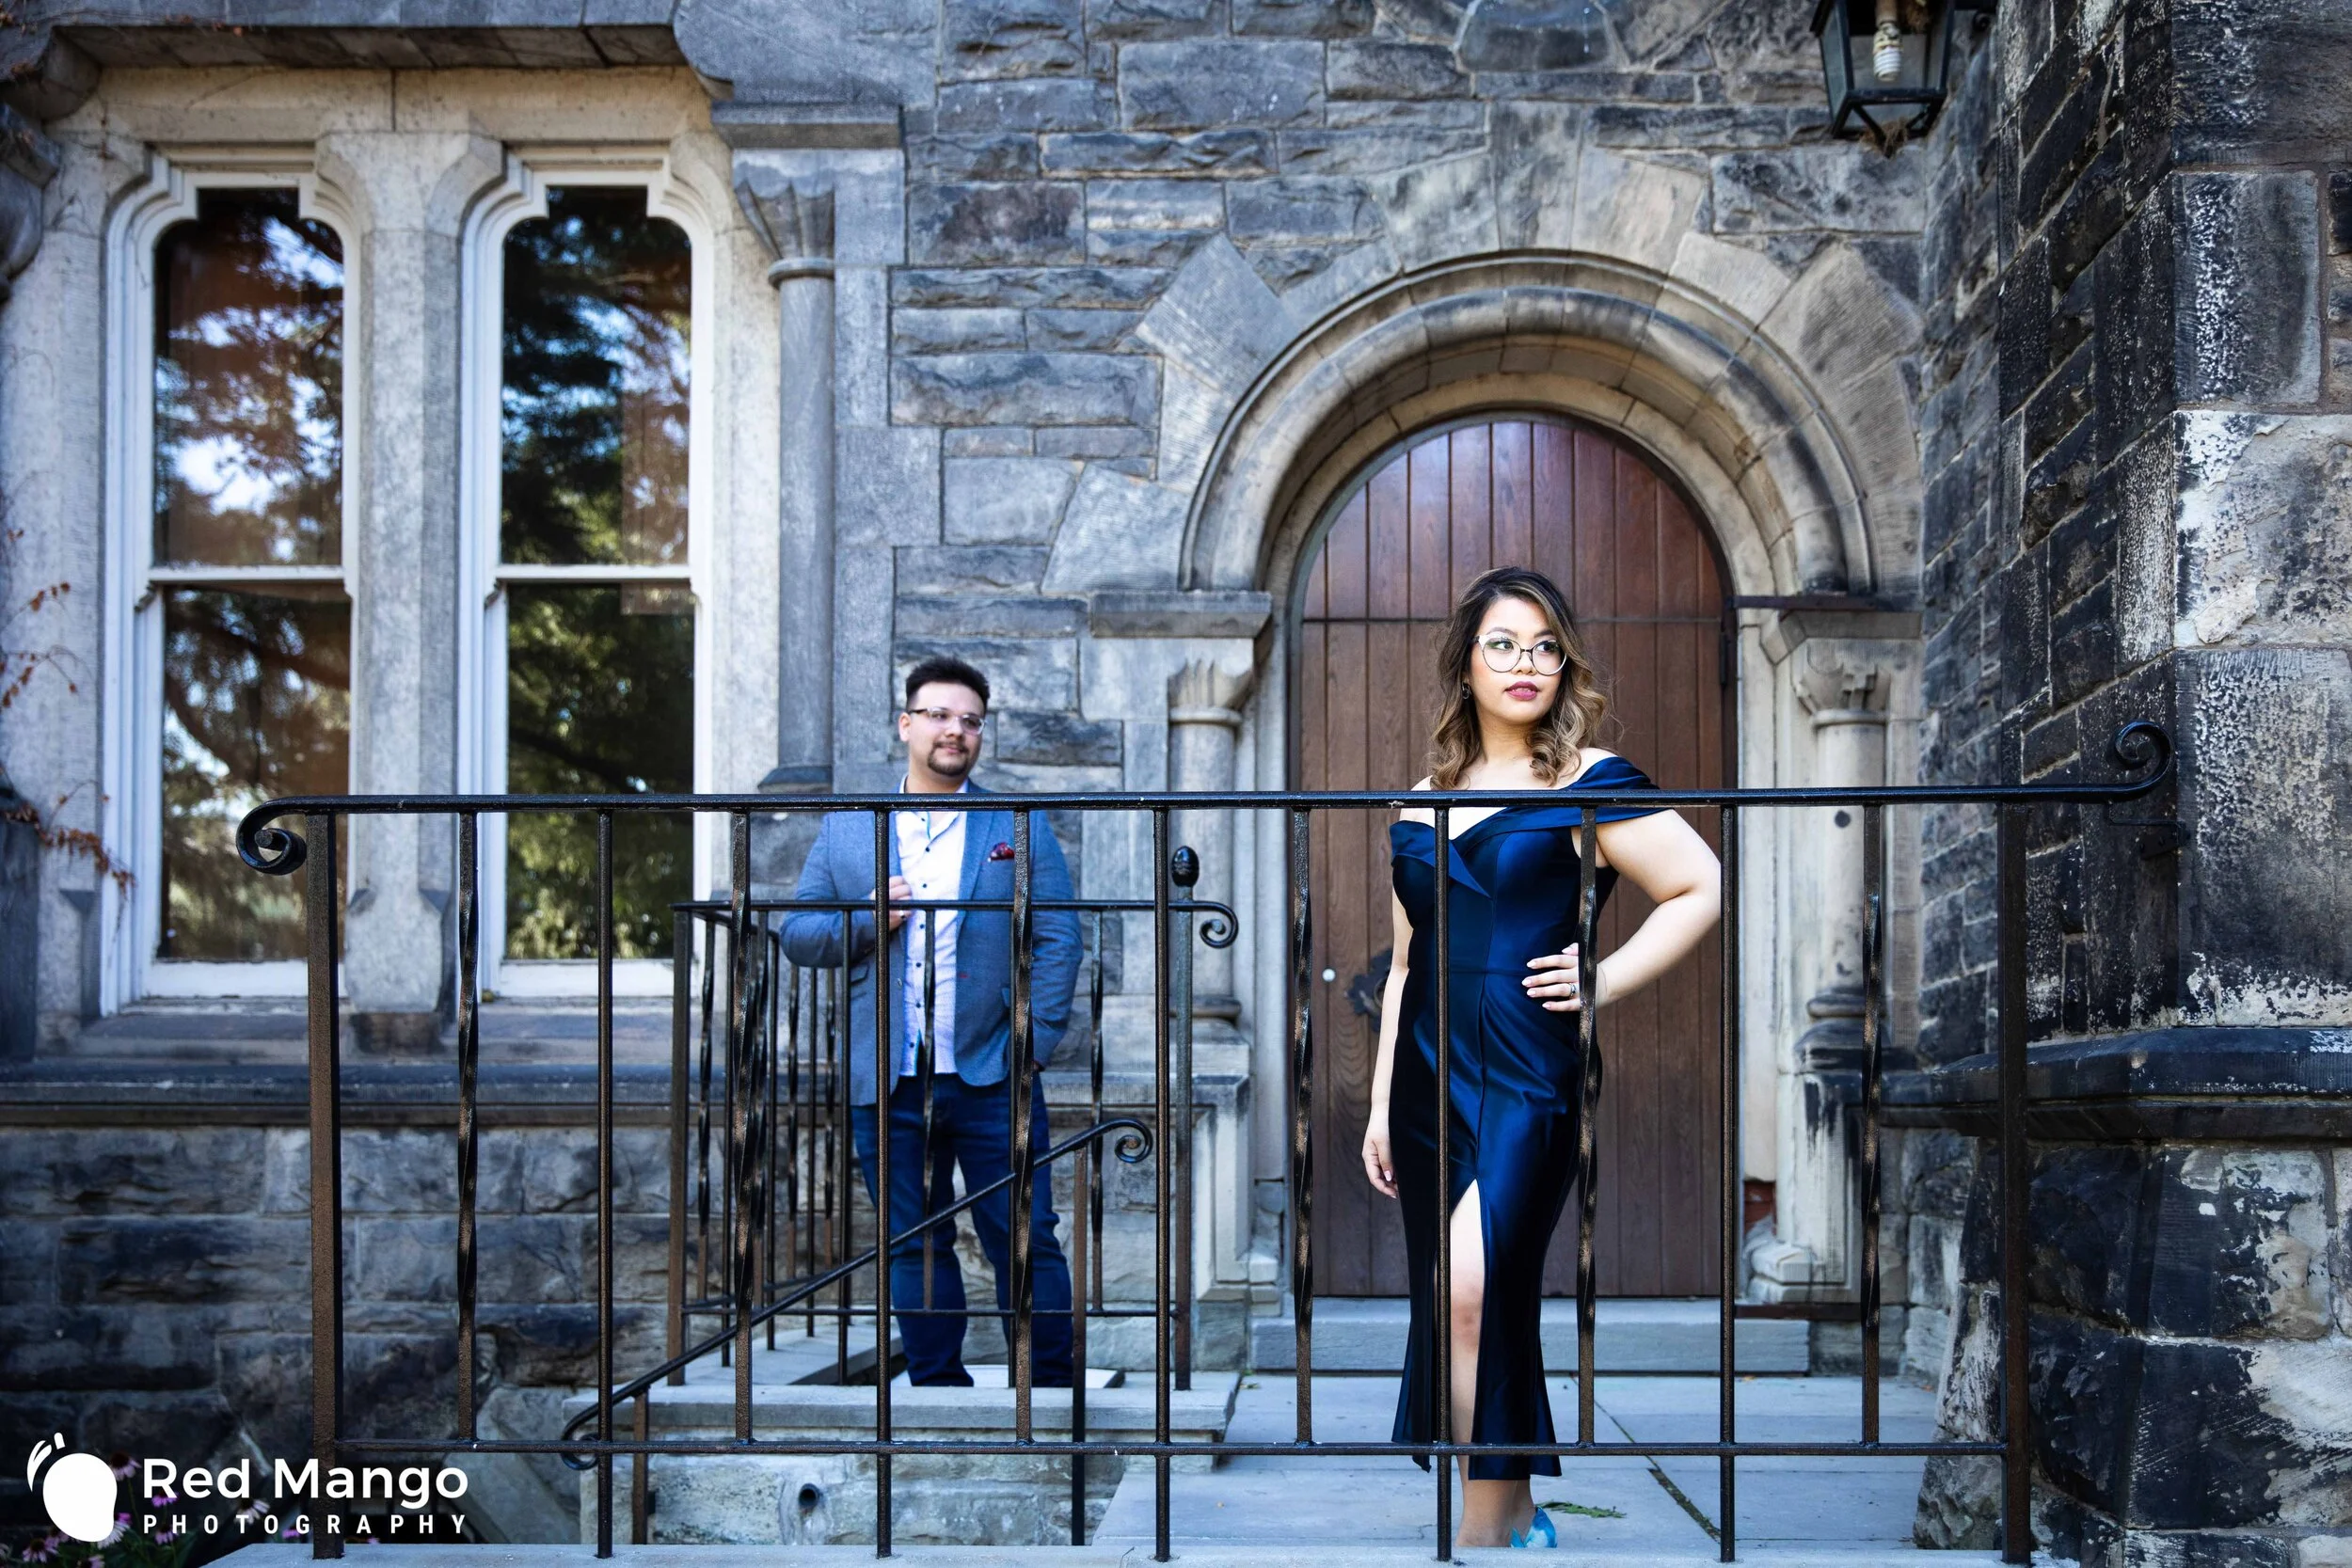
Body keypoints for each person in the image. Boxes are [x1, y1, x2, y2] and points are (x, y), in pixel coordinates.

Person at [1361, 566, 1723, 1548]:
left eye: (1545, 646)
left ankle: (1482, 1530)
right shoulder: (1418, 796)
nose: (1526, 663)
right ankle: (1515, 1507)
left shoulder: (1588, 781)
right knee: (1470, 1301)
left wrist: (1602, 977)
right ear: (1465, 663)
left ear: (1565, 665)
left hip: (1528, 1068)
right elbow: (1403, 964)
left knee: (1473, 1285)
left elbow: (1698, 885)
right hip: (1430, 1075)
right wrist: (1379, 1102)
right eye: (1503, 644)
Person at [781, 654, 1084, 1386]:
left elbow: (1059, 936)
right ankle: (936, 1392)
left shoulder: (1017, 824)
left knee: (1024, 1236)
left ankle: (1047, 1393)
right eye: (941, 715)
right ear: (907, 723)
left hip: (992, 1069)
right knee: (913, 1239)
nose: (956, 730)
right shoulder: (852, 829)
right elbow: (796, 932)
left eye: (971, 720)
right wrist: (864, 920)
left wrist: (1034, 1043)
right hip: (887, 1074)